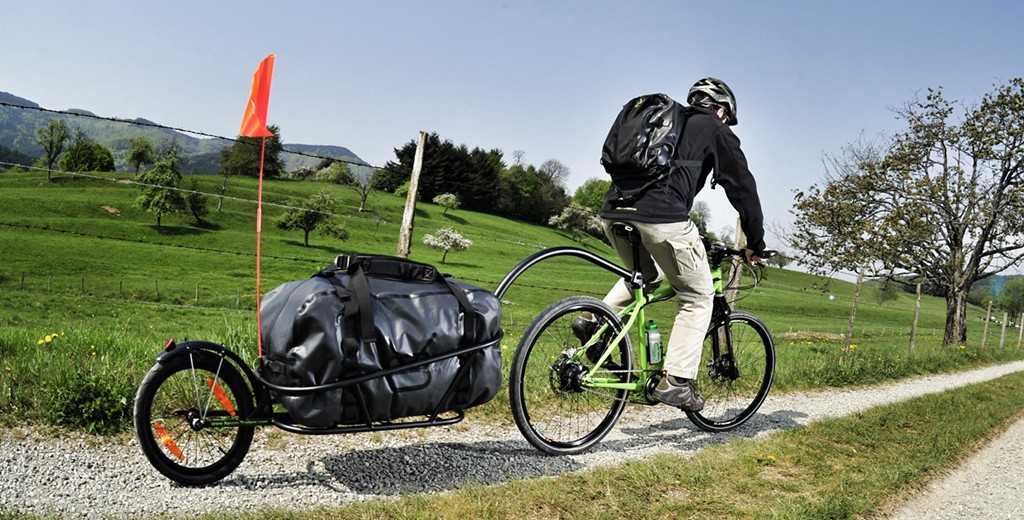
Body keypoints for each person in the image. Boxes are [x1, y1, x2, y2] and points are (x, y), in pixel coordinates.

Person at [575, 77, 768, 412]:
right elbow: (742, 188)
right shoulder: (715, 128)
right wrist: (756, 242)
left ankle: (593, 321)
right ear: (722, 109)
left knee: (644, 277)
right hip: (662, 217)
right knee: (697, 296)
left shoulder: (668, 123)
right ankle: (676, 382)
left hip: (613, 211)